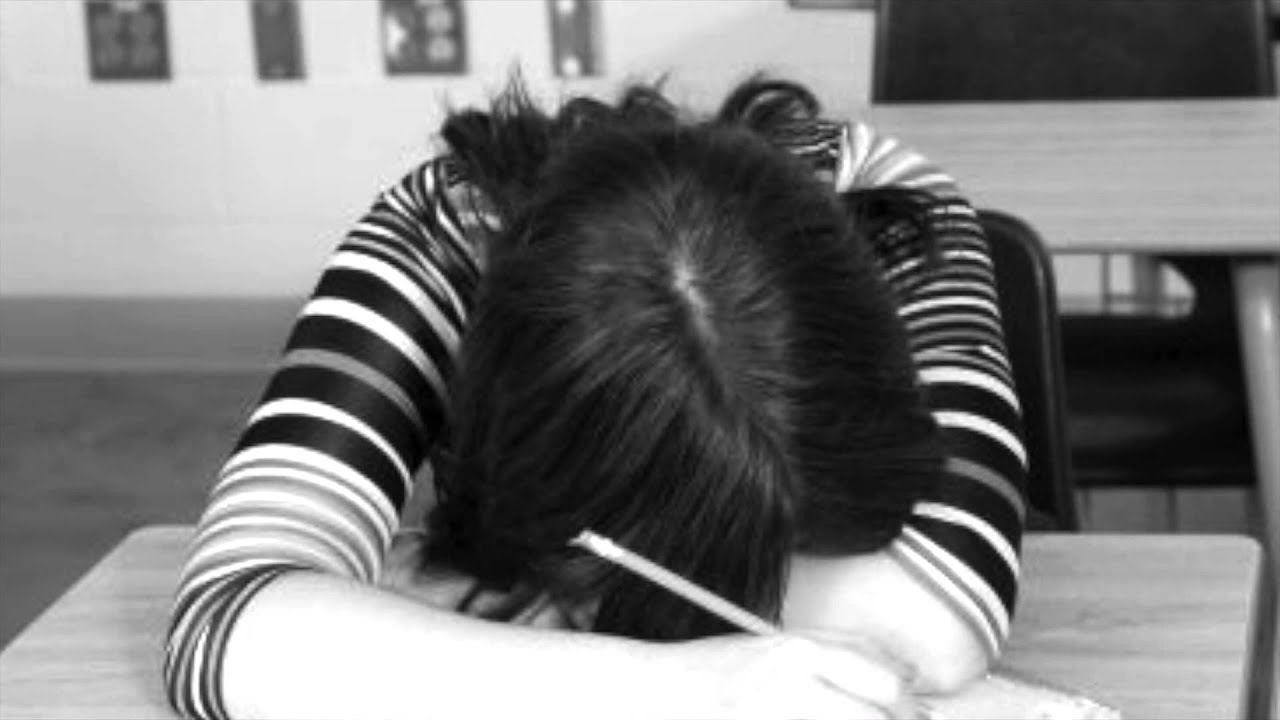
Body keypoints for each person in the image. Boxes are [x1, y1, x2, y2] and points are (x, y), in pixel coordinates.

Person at [163, 75, 1027, 720]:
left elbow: (939, 627)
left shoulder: (880, 205)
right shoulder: (446, 241)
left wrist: (560, 616)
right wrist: (676, 686)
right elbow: (223, 628)